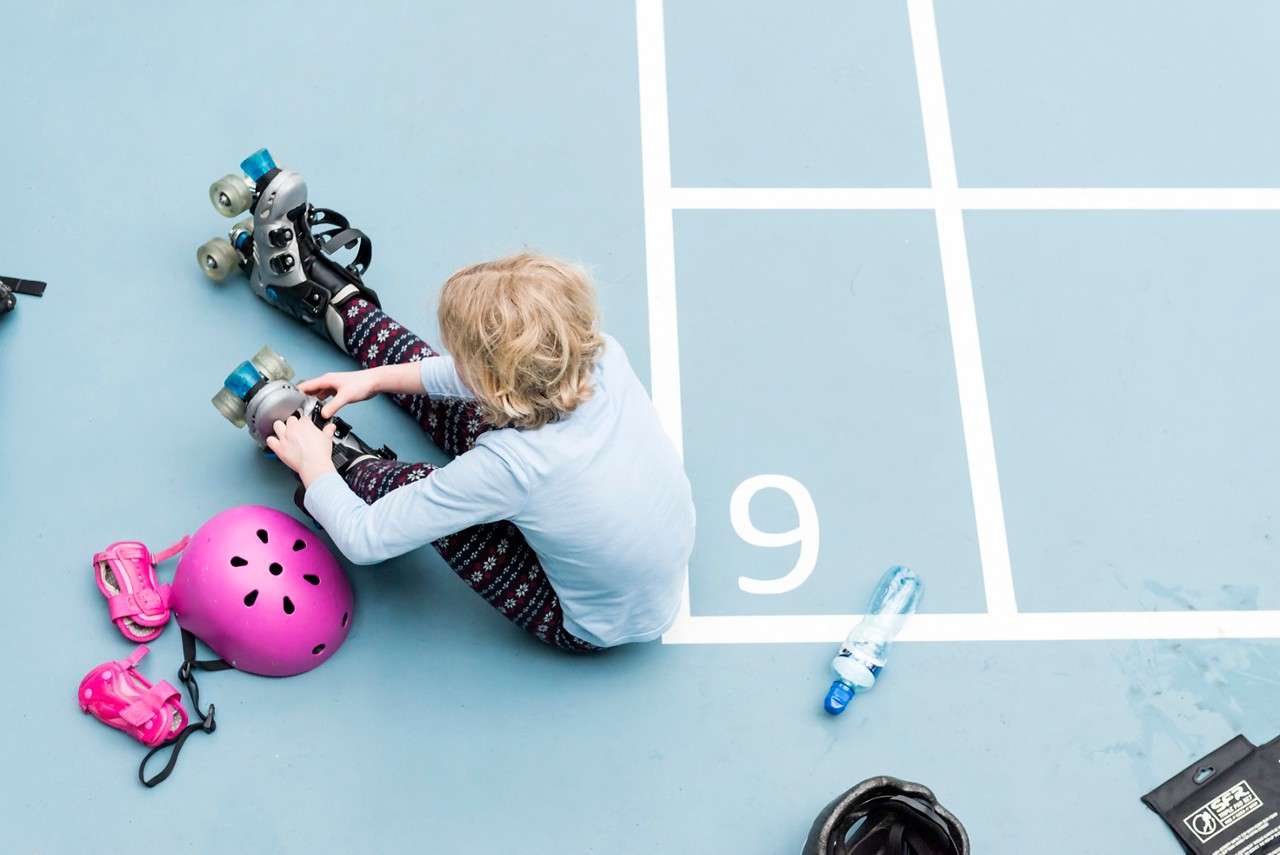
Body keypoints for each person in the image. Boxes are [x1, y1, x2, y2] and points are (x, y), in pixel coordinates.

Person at [265, 252, 694, 652]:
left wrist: (315, 466)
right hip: (647, 566)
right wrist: (374, 380)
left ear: (490, 379)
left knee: (417, 486)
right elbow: (487, 376)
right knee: (453, 395)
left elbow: (364, 539)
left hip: (588, 624)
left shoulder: (508, 467)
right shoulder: (601, 354)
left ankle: (345, 461)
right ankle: (347, 311)